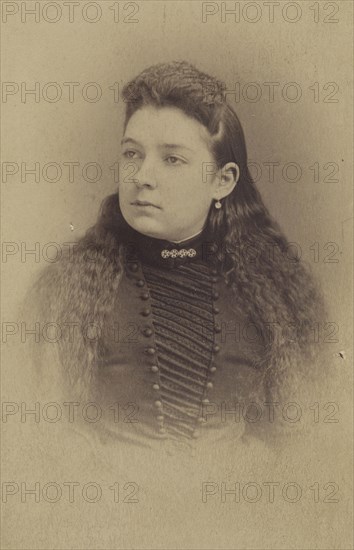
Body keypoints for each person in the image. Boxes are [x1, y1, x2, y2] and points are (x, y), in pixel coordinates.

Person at [24, 61, 328, 455]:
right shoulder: (64, 290)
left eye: (172, 159)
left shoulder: (275, 297)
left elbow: (306, 445)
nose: (141, 176)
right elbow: (36, 439)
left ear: (223, 180)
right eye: (132, 153)